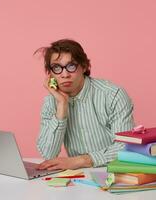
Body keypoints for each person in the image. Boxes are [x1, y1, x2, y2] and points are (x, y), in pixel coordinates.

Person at [36, 39, 135, 171]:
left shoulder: (113, 95)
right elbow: (48, 155)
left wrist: (82, 160)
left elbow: (126, 147)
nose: (65, 74)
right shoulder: (52, 101)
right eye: (57, 68)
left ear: (84, 66)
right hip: (78, 177)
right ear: (50, 73)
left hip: (114, 170)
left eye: (71, 66)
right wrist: (61, 106)